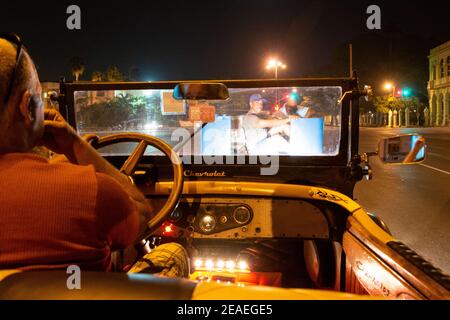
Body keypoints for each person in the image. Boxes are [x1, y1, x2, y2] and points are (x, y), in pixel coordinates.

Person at [0, 34, 189, 277]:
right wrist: (77, 147)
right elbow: (142, 212)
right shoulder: (88, 190)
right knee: (173, 252)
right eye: (38, 97)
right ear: (27, 107)